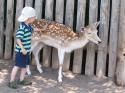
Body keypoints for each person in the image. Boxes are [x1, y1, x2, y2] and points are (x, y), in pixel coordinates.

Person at [8, 6, 39, 89]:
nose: (35, 18)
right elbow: (18, 39)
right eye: (34, 17)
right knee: (17, 66)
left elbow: (33, 30)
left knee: (25, 66)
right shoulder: (22, 28)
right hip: (21, 51)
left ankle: (21, 80)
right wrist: (22, 49)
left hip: (27, 51)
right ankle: (11, 82)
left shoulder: (28, 26)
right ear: (29, 18)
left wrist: (41, 29)